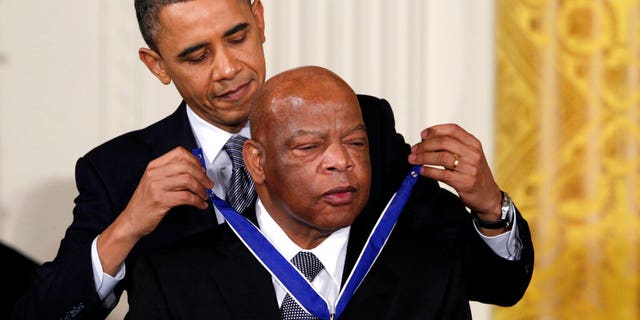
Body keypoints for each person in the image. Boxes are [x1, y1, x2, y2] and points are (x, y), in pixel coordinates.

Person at [12, 0, 533, 319]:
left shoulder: (359, 126)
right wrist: (126, 228)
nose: (228, 69)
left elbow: (493, 286)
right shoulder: (122, 170)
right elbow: (45, 313)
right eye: (196, 55)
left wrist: (491, 210)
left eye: (236, 36)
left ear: (259, 17)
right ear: (157, 65)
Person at [127, 65, 479, 319]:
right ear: (257, 162)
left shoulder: (429, 277)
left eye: (356, 142)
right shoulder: (173, 282)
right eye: (310, 147)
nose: (341, 161)